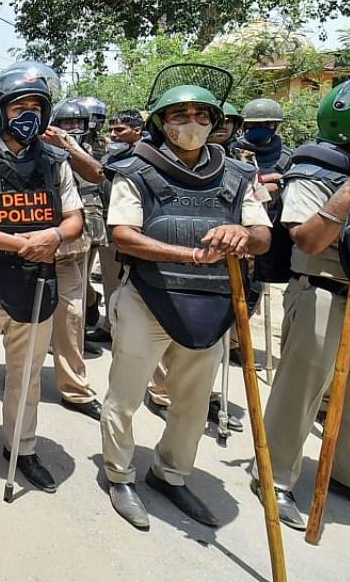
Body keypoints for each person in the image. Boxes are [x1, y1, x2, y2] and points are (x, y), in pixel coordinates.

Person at [101, 77, 271, 530]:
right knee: (126, 395)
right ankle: (119, 475)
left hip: (212, 304)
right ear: (161, 123)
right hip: (149, 298)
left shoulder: (240, 176)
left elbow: (262, 236)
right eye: (179, 116)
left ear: (216, 123)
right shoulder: (134, 169)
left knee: (194, 404)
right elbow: (123, 235)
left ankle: (171, 473)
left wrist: (243, 235)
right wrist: (188, 254)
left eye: (201, 116)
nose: (191, 123)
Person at [253, 79, 350, 530]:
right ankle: (274, 475)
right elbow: (309, 238)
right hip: (327, 295)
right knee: (300, 393)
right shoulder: (316, 167)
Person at [0, 61, 84, 497]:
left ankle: (21, 448)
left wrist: (55, 235)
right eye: (18, 105)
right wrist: (19, 243)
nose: (28, 114)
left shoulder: (56, 163)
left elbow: (75, 218)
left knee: (26, 375)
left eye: (36, 106)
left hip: (39, 279)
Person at [43, 99, 106, 420]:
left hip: (69, 247)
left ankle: (74, 389)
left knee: (70, 316)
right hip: (30, 246)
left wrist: (65, 146)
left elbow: (97, 174)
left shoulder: (68, 146)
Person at [87, 109, 145, 348]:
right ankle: (110, 328)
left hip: (133, 232)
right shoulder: (113, 157)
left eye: (119, 130)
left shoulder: (144, 157)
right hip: (109, 230)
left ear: (137, 131)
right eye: (111, 130)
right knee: (112, 282)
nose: (113, 135)